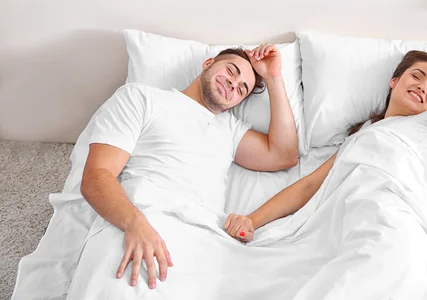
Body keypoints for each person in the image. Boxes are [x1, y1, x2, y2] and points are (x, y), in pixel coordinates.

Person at [224, 49, 427, 242]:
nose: (422, 87)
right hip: (351, 211)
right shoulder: (362, 137)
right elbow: (309, 186)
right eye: (416, 76)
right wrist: (252, 219)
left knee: (382, 248)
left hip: (396, 211)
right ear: (394, 81)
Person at [79, 44, 298, 290]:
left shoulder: (229, 130)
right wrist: (134, 223)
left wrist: (273, 78)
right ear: (208, 63)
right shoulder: (142, 98)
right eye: (231, 71)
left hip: (205, 240)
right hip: (142, 219)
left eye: (241, 89)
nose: (232, 85)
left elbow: (285, 154)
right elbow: (97, 175)